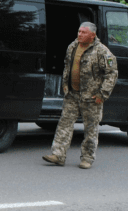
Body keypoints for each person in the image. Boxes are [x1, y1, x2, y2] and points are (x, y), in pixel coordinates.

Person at [43, 22, 118, 169]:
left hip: (92, 98)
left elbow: (112, 74)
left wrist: (102, 94)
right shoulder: (72, 46)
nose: (80, 34)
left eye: (84, 32)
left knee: (91, 129)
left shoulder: (102, 51)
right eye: (79, 31)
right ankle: (58, 155)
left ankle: (87, 158)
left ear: (92, 35)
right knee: (64, 124)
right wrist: (65, 84)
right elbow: (67, 65)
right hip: (72, 94)